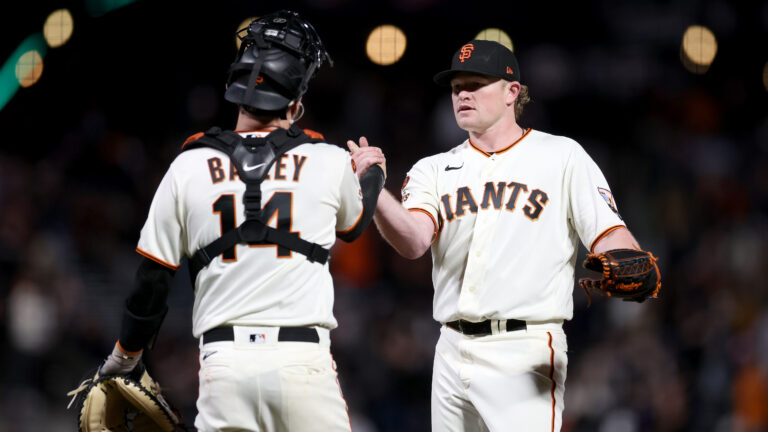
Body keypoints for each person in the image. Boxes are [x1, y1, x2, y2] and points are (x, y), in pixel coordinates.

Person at [348, 39, 659, 431]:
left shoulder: (561, 156)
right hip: (449, 347)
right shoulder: (434, 168)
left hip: (524, 346)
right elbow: (413, 242)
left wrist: (628, 258)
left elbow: (610, 234)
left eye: (475, 84)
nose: (462, 93)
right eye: (456, 86)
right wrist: (376, 193)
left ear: (512, 91)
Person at [98, 10, 385, 431]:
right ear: (297, 103)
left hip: (224, 366)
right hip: (302, 361)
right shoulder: (329, 160)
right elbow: (356, 226)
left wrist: (125, 356)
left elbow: (152, 281)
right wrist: (373, 173)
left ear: (235, 89)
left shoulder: (189, 164)